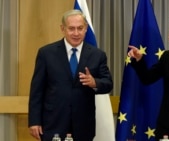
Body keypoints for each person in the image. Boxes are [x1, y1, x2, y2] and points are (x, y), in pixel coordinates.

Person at [28, 9, 113, 141]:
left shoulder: (97, 55)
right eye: (71, 28)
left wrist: (94, 82)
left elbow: (108, 84)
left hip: (83, 125)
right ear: (63, 29)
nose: (76, 33)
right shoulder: (46, 53)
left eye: (80, 28)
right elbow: (37, 91)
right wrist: (34, 121)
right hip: (53, 123)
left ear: (86, 29)